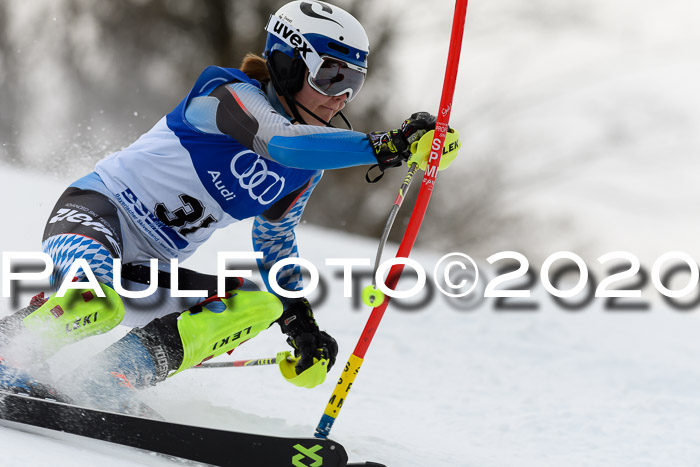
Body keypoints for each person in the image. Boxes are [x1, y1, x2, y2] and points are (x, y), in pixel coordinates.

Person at [0, 0, 454, 410]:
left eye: (353, 83)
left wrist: (300, 322)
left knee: (259, 304)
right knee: (92, 303)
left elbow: (275, 239)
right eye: (332, 76)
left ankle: (105, 380)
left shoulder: (307, 168)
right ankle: (8, 351)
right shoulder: (224, 94)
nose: (341, 96)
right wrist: (387, 145)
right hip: (97, 216)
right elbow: (280, 142)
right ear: (288, 64)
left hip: (148, 269)